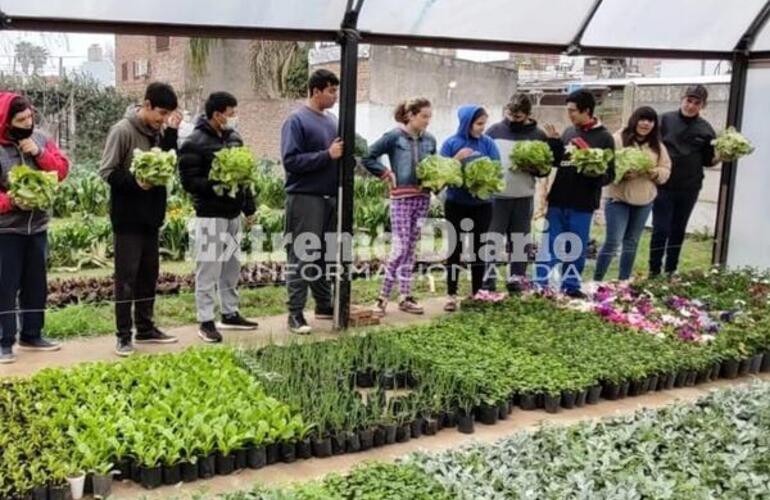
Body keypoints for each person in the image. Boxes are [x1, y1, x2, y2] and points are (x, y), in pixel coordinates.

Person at [99, 82, 182, 356]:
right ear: (146, 105)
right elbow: (107, 172)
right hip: (127, 219)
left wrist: (172, 133)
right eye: (160, 113)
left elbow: (170, 162)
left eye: (168, 114)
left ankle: (145, 328)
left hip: (152, 217)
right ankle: (123, 336)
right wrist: (137, 182)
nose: (163, 119)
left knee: (149, 276)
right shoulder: (122, 131)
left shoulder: (160, 132)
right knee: (126, 279)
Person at [179, 91, 258, 344]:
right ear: (217, 114)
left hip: (233, 214)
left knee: (231, 267)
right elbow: (189, 182)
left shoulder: (235, 139)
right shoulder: (195, 142)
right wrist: (217, 183)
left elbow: (245, 178)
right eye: (231, 113)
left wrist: (249, 208)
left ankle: (230, 312)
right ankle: (206, 320)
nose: (234, 118)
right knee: (208, 268)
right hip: (210, 215)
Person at [0, 93, 69, 364]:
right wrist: (11, 201)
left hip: (37, 227)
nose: (27, 123)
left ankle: (32, 333)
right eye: (20, 120)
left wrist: (39, 154)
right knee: (5, 287)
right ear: (6, 122)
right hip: (7, 230)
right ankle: (4, 341)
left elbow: (61, 170)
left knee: (35, 284)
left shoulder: (40, 138)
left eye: (30, 117)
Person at [534, 89, 614, 298]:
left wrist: (593, 169)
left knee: (575, 248)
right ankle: (540, 285)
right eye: (568, 110)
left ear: (587, 110)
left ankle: (570, 286)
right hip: (559, 199)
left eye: (573, 111)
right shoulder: (569, 132)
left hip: (583, 203)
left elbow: (609, 174)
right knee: (549, 245)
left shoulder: (604, 137)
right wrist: (554, 142)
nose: (569, 115)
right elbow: (559, 162)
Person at [280, 69, 342, 334]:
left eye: (336, 91)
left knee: (325, 255)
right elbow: (291, 161)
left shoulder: (333, 121)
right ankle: (295, 314)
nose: (335, 96)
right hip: (305, 197)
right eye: (331, 91)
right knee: (303, 255)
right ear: (316, 91)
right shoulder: (296, 121)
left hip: (329, 198)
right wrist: (326, 155)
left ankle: (323, 304)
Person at [363, 98, 436, 316]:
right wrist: (386, 173)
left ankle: (405, 296)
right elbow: (368, 157)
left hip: (422, 198)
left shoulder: (430, 140)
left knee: (411, 249)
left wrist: (437, 182)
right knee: (400, 248)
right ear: (411, 115)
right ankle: (382, 298)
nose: (427, 121)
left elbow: (434, 166)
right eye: (424, 116)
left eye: (429, 117)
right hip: (401, 199)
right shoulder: (394, 137)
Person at [484, 93, 561, 293]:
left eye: (518, 116)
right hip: (496, 197)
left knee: (520, 243)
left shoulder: (538, 135)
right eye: (510, 114)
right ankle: (487, 283)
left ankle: (516, 281)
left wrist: (533, 167)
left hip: (523, 197)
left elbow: (545, 169)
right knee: (491, 241)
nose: (512, 119)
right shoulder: (494, 131)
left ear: (527, 114)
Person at [594, 107, 671, 282]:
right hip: (618, 199)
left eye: (650, 120)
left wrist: (655, 173)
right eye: (642, 119)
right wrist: (620, 174)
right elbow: (605, 164)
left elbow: (666, 169)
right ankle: (597, 280)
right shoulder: (617, 139)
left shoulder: (657, 146)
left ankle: (623, 281)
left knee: (631, 242)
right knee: (613, 241)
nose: (645, 123)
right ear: (634, 120)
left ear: (654, 124)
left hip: (644, 201)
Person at [649, 85, 718, 277]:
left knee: (678, 230)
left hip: (689, 187)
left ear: (703, 105)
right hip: (664, 186)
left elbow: (708, 160)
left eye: (697, 103)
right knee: (660, 229)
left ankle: (671, 270)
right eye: (689, 100)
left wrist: (722, 156)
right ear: (682, 99)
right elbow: (650, 147)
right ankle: (653, 271)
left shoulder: (706, 129)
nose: (691, 106)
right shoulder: (663, 120)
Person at [440, 105, 501, 311]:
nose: (482, 128)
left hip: (482, 205)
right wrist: (458, 159)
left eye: (484, 123)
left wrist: (483, 182)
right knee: (454, 249)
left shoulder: (489, 144)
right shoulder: (451, 143)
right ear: (467, 123)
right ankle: (451, 294)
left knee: (478, 249)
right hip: (456, 203)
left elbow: (496, 170)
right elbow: (442, 171)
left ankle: (476, 293)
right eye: (478, 124)